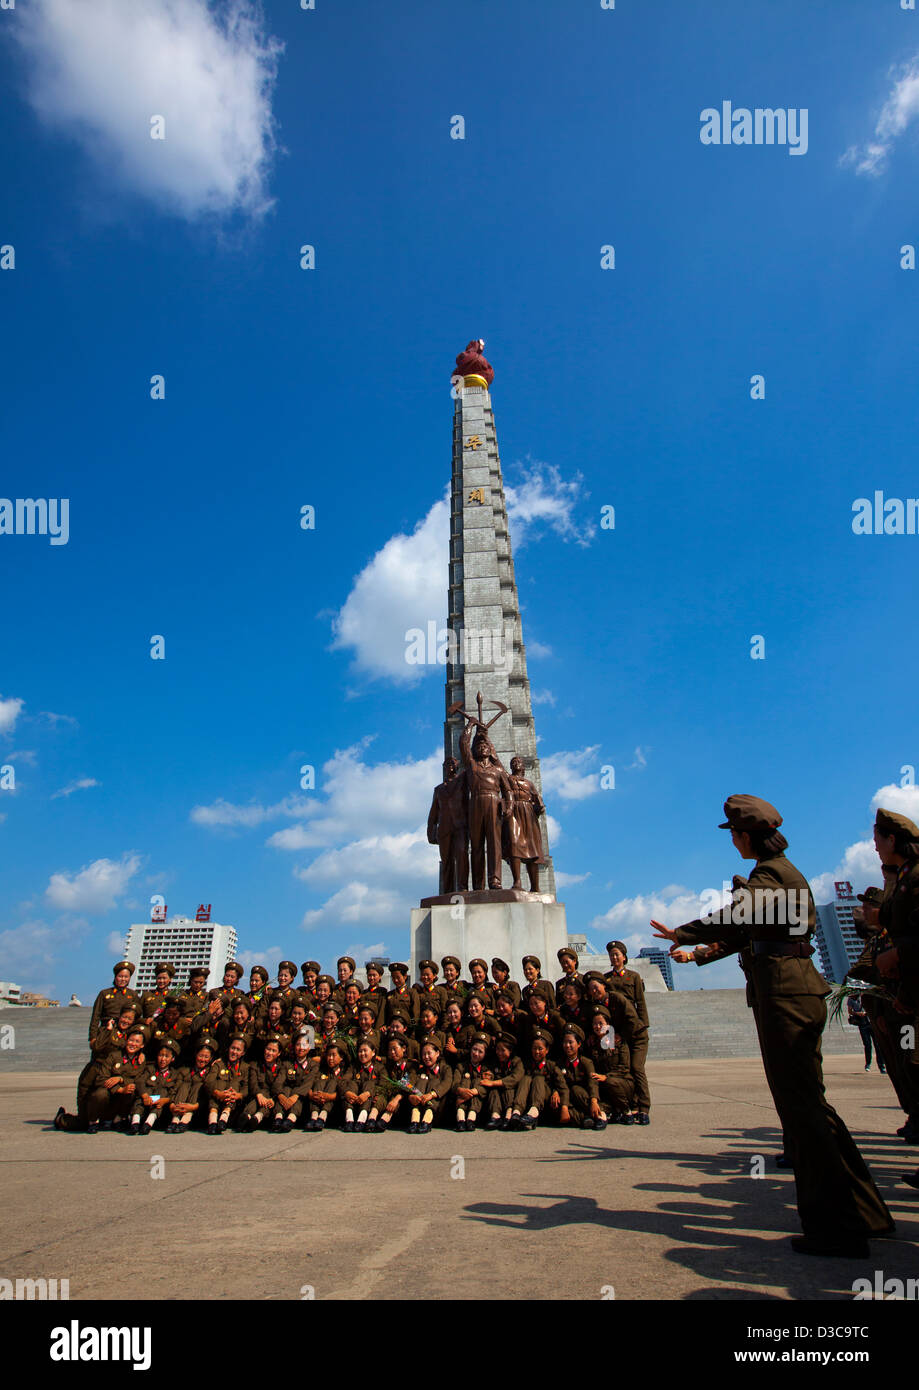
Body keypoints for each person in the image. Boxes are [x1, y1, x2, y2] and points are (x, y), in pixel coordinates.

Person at [652, 793, 893, 1258]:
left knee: (802, 1113)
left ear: (746, 836)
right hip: (788, 990)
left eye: (735, 835)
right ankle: (865, 1213)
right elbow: (747, 932)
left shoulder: (772, 876)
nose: (734, 842)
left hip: (786, 995)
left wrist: (683, 932)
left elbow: (737, 917)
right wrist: (699, 953)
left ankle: (838, 1230)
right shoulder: (781, 874)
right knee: (811, 1109)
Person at [604, 941, 652, 1125]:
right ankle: (629, 1106)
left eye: (617, 954)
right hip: (617, 1032)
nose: (614, 958)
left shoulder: (634, 977)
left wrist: (642, 1026)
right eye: (612, 955)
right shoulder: (606, 979)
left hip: (635, 1031)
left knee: (637, 1069)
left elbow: (641, 1004)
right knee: (623, 1071)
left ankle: (644, 1107)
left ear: (624, 956)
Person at [512, 1030, 568, 1129]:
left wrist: (560, 1099)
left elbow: (563, 1087)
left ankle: (534, 1112)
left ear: (547, 1050)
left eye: (540, 1049)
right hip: (527, 1097)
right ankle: (516, 1112)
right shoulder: (526, 1064)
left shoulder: (551, 1066)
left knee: (538, 1078)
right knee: (525, 1079)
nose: (537, 1052)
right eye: (534, 1048)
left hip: (544, 1100)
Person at [129, 1039, 184, 1134]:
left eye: (167, 1056)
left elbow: (174, 1091)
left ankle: (148, 1124)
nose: (163, 1059)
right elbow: (140, 1081)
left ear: (172, 1058)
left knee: (162, 1093)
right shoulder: (150, 1068)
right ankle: (135, 1123)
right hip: (145, 1101)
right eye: (160, 1055)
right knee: (141, 1097)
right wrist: (145, 1095)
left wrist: (165, 1100)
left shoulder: (175, 1074)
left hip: (160, 1107)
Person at [558, 1025, 606, 1129]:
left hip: (584, 1097)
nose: (567, 1045)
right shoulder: (560, 1063)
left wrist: (593, 1101)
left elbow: (592, 1082)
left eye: (571, 1042)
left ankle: (600, 1114)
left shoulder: (586, 1062)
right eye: (565, 1042)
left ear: (579, 1044)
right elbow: (559, 1083)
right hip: (568, 1099)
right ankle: (586, 1118)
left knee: (576, 1090)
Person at [88, 962, 142, 1043]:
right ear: (115, 977)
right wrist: (93, 1037)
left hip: (125, 1033)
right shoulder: (104, 993)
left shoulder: (133, 995)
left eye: (126, 977)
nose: (123, 979)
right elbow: (95, 1017)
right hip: (106, 1031)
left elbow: (137, 1016)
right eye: (120, 976)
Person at [409, 1039, 453, 1132]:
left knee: (434, 1082)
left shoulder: (445, 1068)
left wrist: (432, 1094)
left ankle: (427, 1120)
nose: (426, 1057)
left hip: (437, 1110)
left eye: (429, 1053)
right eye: (424, 1054)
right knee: (422, 1080)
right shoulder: (419, 1070)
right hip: (419, 1105)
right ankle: (415, 1120)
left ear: (437, 1053)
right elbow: (409, 1084)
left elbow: (446, 1083)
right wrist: (411, 1096)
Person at [453, 1034, 492, 1131]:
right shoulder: (461, 1066)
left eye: (480, 1052)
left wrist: (474, 1091)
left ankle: (471, 1119)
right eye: (474, 1049)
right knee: (465, 1082)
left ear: (485, 1054)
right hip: (460, 1101)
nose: (476, 1054)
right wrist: (461, 1091)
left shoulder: (486, 1069)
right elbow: (454, 1084)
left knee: (479, 1082)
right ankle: (460, 1119)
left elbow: (487, 1086)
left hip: (477, 1105)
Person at [242, 1038, 284, 1130]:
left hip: (273, 1099)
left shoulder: (282, 1067)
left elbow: (278, 1085)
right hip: (257, 1097)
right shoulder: (255, 1065)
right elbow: (253, 1083)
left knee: (267, 1098)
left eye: (274, 1050)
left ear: (279, 1053)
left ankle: (256, 1117)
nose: (269, 1053)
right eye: (268, 1049)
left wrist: (272, 1098)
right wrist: (259, 1094)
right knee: (261, 1094)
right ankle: (246, 1117)